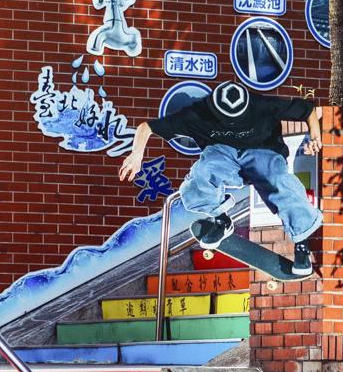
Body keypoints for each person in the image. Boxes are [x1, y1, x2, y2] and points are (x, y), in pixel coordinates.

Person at [119, 82, 323, 276]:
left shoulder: (262, 104)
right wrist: (137, 154)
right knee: (201, 173)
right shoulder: (196, 114)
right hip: (224, 157)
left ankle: (302, 242)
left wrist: (315, 136)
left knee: (280, 181)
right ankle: (221, 219)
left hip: (263, 153)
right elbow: (147, 127)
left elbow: (307, 110)